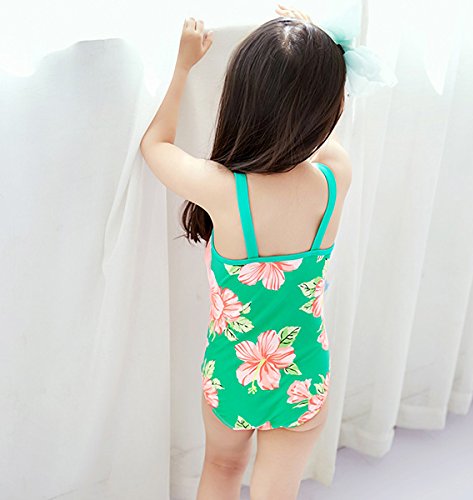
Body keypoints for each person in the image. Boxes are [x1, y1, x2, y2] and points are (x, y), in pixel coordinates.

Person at [140, 4, 352, 499]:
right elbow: (325, 124)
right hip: (304, 373)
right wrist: (312, 47)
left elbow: (156, 144)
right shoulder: (335, 177)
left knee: (221, 467)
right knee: (278, 489)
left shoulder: (222, 189)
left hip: (234, 373)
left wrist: (182, 66)